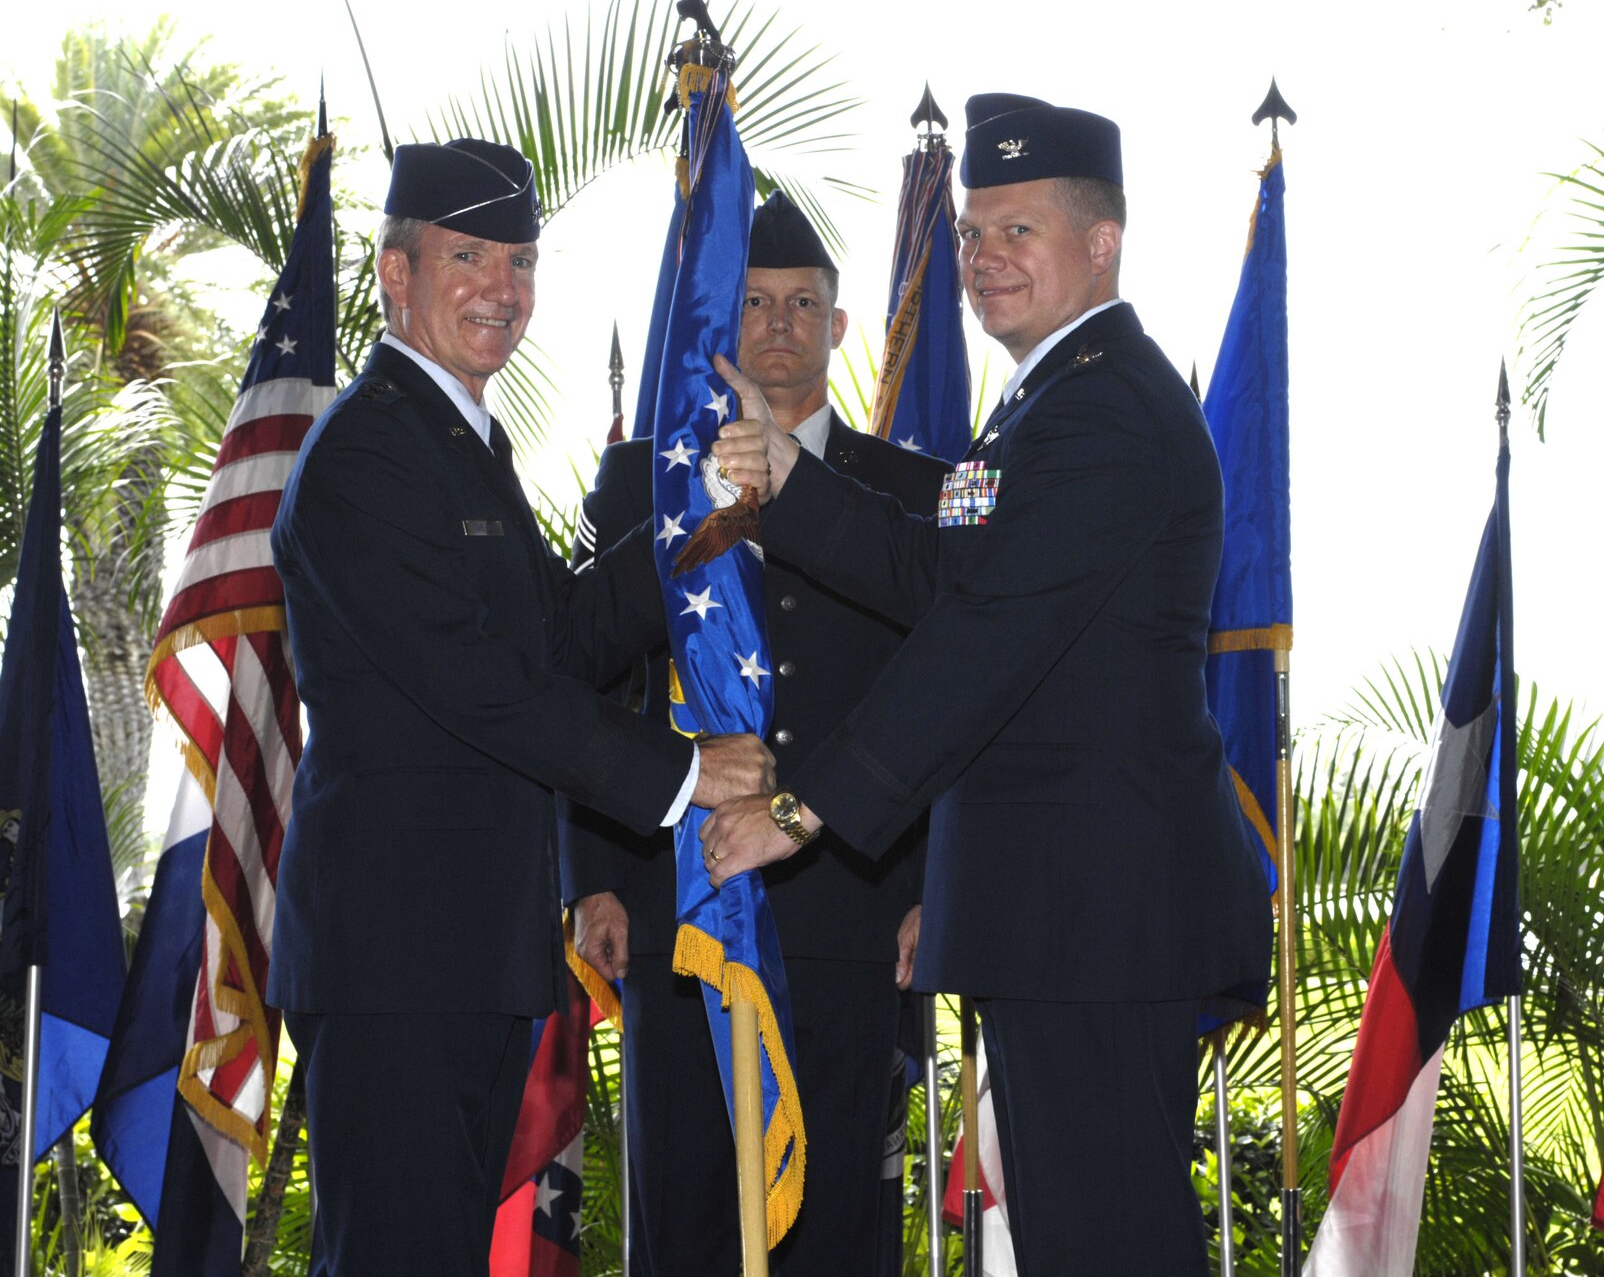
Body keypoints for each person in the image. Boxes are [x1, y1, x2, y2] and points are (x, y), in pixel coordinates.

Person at [704, 94, 1273, 1275]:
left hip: (1103, 920)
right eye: (971, 233)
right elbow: (932, 568)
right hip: (1055, 914)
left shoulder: (1106, 410)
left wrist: (798, 812)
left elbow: (982, 640)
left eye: (1018, 230)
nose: (982, 259)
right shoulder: (1040, 404)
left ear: (1100, 242)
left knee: (1109, 1244)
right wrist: (787, 480)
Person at [268, 137, 772, 1277]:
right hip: (393, 958)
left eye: (520, 260)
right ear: (395, 274)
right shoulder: (367, 452)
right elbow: (479, 684)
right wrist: (686, 776)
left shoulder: (460, 442)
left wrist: (706, 523)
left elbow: (564, 637)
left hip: (468, 947)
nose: (502, 289)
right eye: (468, 257)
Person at [560, 190, 947, 1274]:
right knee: (682, 1214)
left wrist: (930, 882)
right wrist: (591, 875)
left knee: (834, 1223)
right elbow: (590, 678)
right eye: (754, 302)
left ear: (838, 324)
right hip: (673, 908)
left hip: (852, 905)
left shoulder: (913, 490)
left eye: (802, 303)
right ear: (722, 328)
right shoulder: (641, 480)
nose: (777, 324)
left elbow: (951, 694)